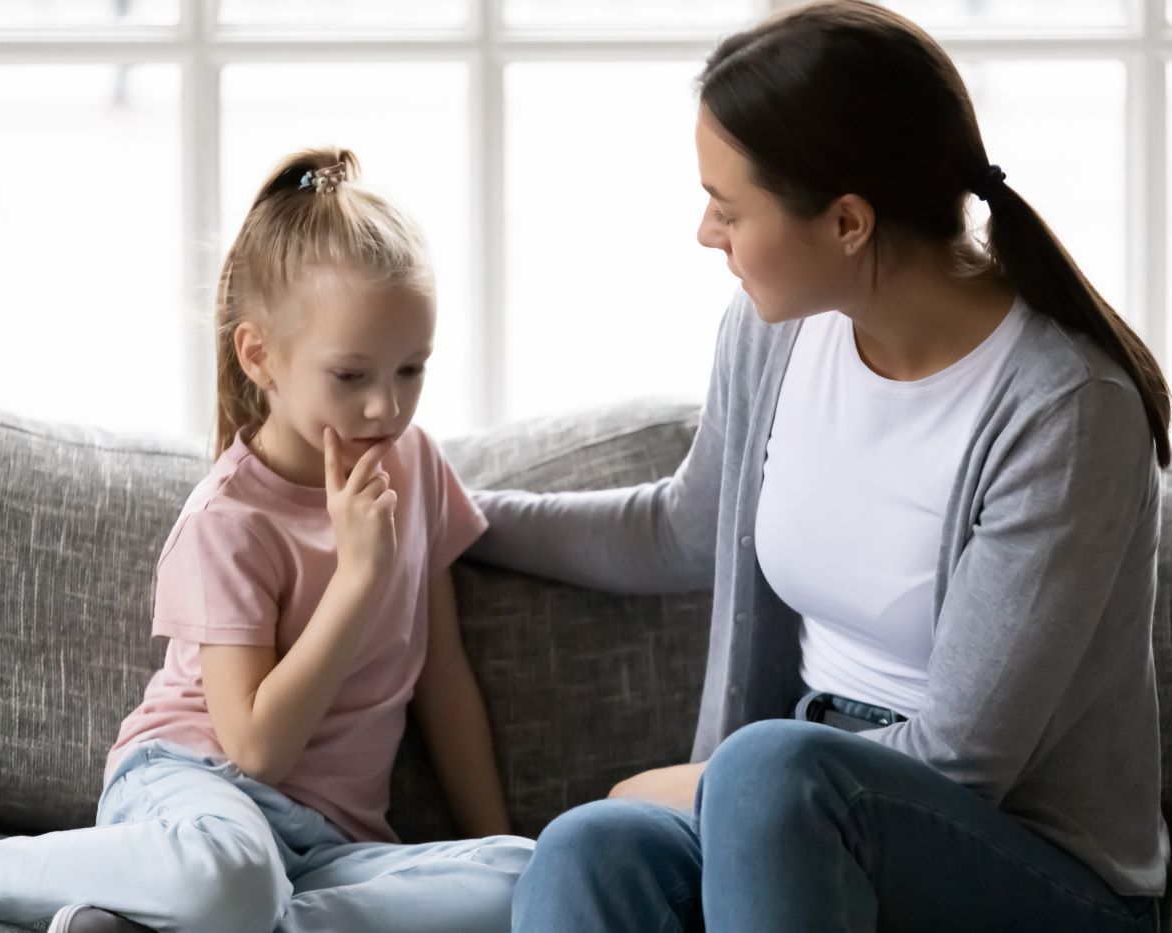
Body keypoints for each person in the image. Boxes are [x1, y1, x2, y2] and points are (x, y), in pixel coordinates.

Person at [467, 2, 1170, 930]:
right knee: (590, 848)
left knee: (767, 769)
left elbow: (964, 759)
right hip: (795, 808)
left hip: (1031, 868)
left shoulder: (1062, 409)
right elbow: (684, 527)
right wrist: (453, 510)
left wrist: (706, 782)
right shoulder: (774, 338)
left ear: (846, 221)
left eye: (727, 207)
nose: (704, 233)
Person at [0, 148, 533, 933]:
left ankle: (202, 923)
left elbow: (443, 678)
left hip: (325, 848)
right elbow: (255, 747)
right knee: (233, 875)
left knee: (528, 870)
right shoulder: (228, 520)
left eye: (411, 369)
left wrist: (487, 834)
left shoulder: (414, 465)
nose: (386, 408)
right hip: (193, 793)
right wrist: (358, 578)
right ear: (261, 356)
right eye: (351, 375)